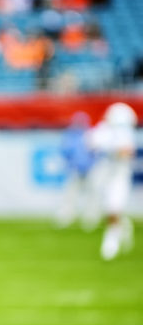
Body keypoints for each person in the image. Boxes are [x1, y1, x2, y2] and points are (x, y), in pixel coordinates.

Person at [88, 102, 138, 261]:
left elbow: (126, 152)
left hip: (120, 174)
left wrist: (111, 148)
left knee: (114, 205)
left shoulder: (126, 134)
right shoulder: (103, 130)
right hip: (104, 173)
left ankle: (111, 240)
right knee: (106, 206)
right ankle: (124, 226)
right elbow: (90, 143)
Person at [55, 111, 98, 230]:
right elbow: (65, 152)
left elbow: (97, 153)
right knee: (70, 195)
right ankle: (65, 218)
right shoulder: (70, 135)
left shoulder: (91, 134)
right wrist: (71, 164)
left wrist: (92, 165)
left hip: (90, 170)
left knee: (91, 195)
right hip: (75, 170)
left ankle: (91, 219)